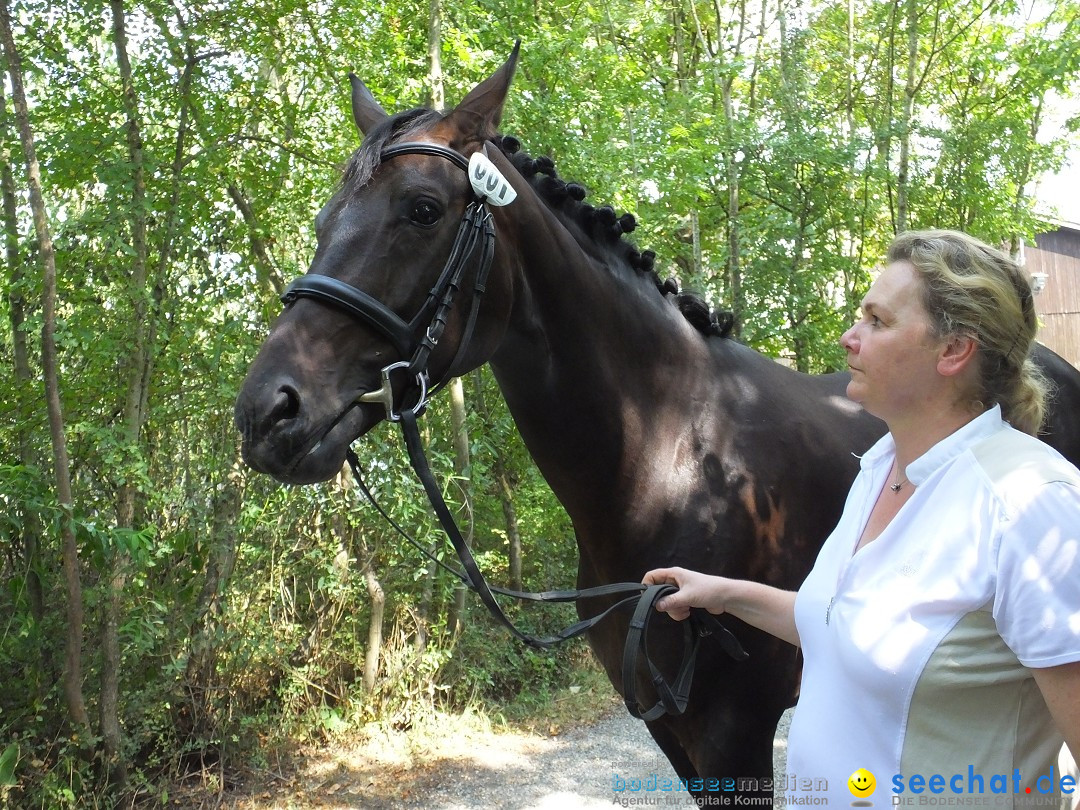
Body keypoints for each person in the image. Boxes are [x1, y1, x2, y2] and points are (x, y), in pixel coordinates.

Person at [644, 229, 1080, 808]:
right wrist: (724, 593)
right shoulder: (880, 469)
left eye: (877, 321)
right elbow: (847, 629)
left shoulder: (1028, 503)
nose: (850, 338)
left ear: (953, 351)